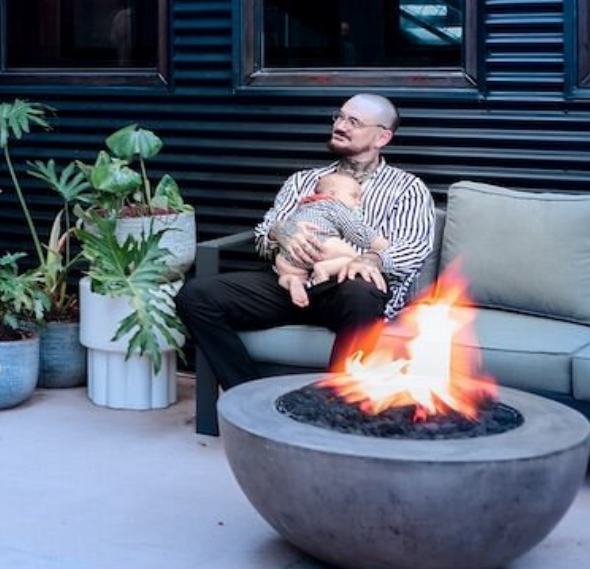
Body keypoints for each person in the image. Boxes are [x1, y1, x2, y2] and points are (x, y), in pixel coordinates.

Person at [175, 93, 435, 388]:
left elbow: (414, 248)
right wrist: (280, 233)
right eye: (338, 117)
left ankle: (336, 405)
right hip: (291, 282)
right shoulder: (303, 181)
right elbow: (263, 235)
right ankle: (248, 393)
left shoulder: (407, 188)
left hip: (348, 292)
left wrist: (370, 258)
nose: (340, 125)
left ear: (382, 137)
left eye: (353, 121)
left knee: (362, 291)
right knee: (196, 296)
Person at [272, 172, 387, 308]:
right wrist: (380, 243)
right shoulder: (335, 207)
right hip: (322, 244)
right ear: (332, 194)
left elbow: (285, 224)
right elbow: (357, 231)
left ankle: (292, 280)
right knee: (355, 259)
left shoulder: (303, 207)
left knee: (286, 272)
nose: (358, 202)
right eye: (354, 196)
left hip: (289, 253)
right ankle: (324, 268)